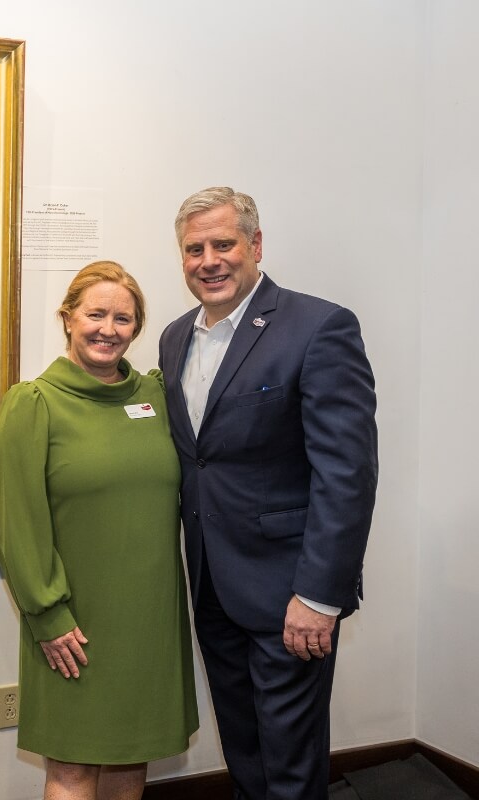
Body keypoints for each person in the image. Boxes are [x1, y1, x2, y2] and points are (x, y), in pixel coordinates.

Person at [158, 187, 379, 800]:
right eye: (194, 249)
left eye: (222, 244)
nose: (208, 260)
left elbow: (347, 473)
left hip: (290, 596)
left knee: (289, 766)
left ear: (255, 245)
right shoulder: (174, 339)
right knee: (245, 755)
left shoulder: (318, 327)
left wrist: (319, 595)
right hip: (211, 586)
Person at [0, 261, 197, 800]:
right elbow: (17, 522)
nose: (109, 329)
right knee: (72, 770)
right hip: (72, 623)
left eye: (123, 319)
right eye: (95, 314)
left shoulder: (155, 396)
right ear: (67, 318)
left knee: (131, 761)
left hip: (149, 619)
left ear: (137, 328)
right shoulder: (33, 403)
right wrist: (47, 614)